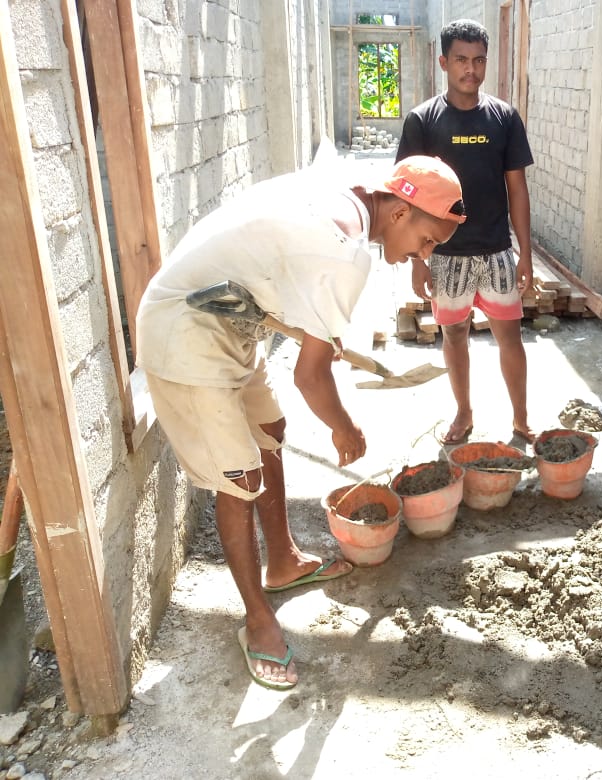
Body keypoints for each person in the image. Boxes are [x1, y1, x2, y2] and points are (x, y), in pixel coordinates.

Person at [135, 155, 465, 689]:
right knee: (238, 479)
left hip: (230, 317)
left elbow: (283, 268)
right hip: (185, 329)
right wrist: (345, 427)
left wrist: (316, 326)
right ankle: (257, 619)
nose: (420, 258)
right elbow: (311, 380)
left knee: (270, 433)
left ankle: (283, 560)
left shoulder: (350, 194)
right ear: (401, 211)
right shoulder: (346, 255)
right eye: (428, 240)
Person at [395, 18, 536, 446]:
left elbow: (517, 188)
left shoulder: (504, 118)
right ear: (444, 62)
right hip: (446, 255)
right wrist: (418, 261)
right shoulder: (423, 121)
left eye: (478, 60)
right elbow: (410, 198)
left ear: (486, 63)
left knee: (509, 335)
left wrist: (524, 253)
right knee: (453, 334)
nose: (470, 70)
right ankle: (463, 413)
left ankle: (521, 419)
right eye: (461, 60)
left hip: (495, 251)